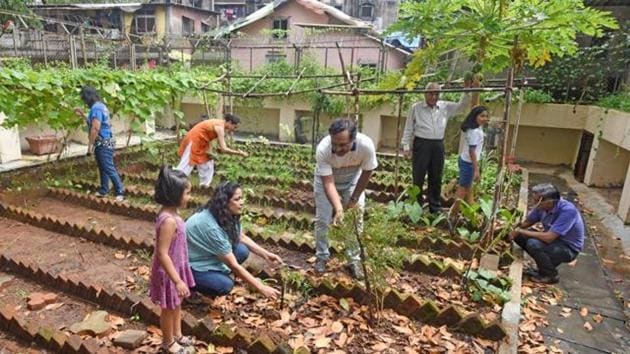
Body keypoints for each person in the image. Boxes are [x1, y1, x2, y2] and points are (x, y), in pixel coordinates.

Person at [186, 181, 283, 298]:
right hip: (192, 264)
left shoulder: (227, 215)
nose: (242, 203)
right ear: (224, 202)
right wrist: (261, 288)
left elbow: (241, 237)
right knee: (225, 285)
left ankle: (216, 274)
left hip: (207, 255)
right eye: (237, 199)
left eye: (242, 198)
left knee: (242, 250)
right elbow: (234, 266)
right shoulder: (211, 227)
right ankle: (190, 284)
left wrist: (267, 255)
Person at [313, 118, 378, 279]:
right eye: (335, 144)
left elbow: (367, 172)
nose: (337, 148)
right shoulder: (323, 149)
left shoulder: (366, 145)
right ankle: (322, 256)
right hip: (326, 182)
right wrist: (339, 209)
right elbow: (328, 183)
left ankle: (353, 259)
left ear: (353, 140)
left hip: (353, 180)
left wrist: (354, 199)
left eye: (342, 145)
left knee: (356, 219)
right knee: (322, 219)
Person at [401, 82, 470, 213]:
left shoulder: (445, 107)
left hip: (438, 145)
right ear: (425, 93)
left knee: (436, 176)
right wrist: (406, 145)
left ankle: (435, 207)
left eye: (436, 94)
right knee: (418, 176)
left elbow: (461, 107)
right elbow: (409, 127)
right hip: (421, 144)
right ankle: (416, 206)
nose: (433, 97)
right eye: (431, 93)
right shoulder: (416, 108)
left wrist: (466, 92)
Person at [149, 166, 196, 354]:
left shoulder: (174, 215)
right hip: (168, 273)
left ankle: (177, 334)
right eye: (187, 193)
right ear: (175, 195)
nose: (189, 197)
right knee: (168, 308)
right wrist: (176, 280)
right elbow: (162, 253)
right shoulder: (168, 220)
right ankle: (168, 342)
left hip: (176, 269)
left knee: (176, 303)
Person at [508, 183, 585, 284]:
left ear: (549, 202)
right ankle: (544, 267)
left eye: (537, 201)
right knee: (520, 236)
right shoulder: (541, 207)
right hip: (554, 241)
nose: (534, 203)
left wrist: (521, 231)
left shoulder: (568, 211)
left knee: (533, 244)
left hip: (568, 248)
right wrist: (512, 227)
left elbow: (549, 237)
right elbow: (527, 223)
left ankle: (550, 275)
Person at [75, 86, 124, 202]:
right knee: (103, 167)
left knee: (108, 166)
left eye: (84, 99)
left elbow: (95, 128)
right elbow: (94, 122)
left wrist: (90, 146)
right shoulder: (101, 106)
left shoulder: (96, 109)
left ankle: (120, 191)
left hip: (103, 141)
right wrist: (82, 114)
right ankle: (104, 190)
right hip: (108, 139)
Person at [176, 114, 248, 187]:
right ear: (229, 122)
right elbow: (224, 149)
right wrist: (239, 153)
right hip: (194, 141)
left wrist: (212, 151)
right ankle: (173, 182)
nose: (234, 129)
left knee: (208, 164)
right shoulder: (220, 127)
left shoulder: (221, 125)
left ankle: (204, 187)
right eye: (234, 127)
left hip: (202, 144)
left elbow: (212, 139)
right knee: (186, 165)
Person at [451, 106, 490, 214]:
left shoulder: (474, 128)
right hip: (469, 163)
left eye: (486, 116)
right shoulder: (475, 132)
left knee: (468, 187)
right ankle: (453, 213)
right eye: (482, 116)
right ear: (474, 117)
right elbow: (472, 151)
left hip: (464, 160)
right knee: (462, 189)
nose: (485, 118)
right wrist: (476, 169)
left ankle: (472, 208)